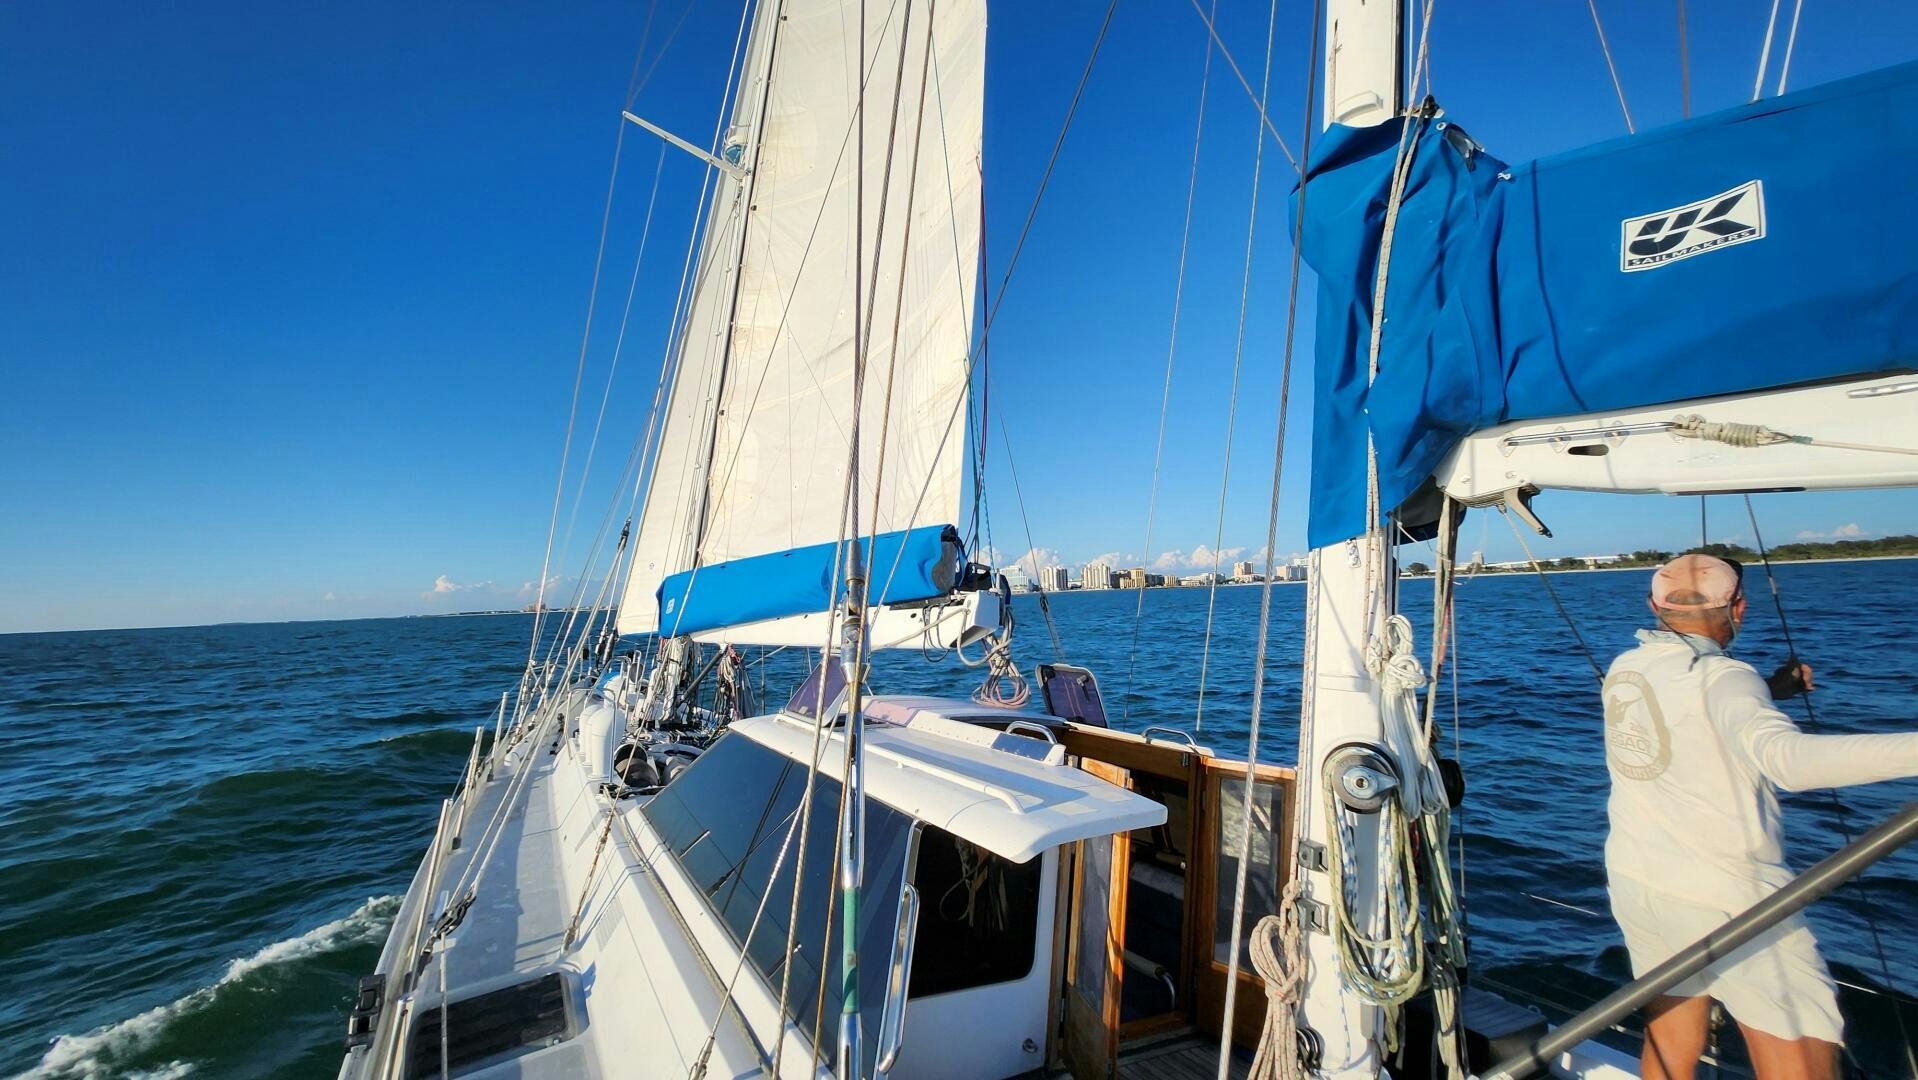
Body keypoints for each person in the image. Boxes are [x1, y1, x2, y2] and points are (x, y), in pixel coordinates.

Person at [1601, 552, 1918, 1080]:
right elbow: (1787, 763)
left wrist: (1770, 691)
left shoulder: (1627, 667)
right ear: (1740, 609)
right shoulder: (1726, 677)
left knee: (1672, 1032)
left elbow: (1681, 710)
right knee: (1800, 1058)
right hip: (1731, 899)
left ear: (1653, 606)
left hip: (1639, 884)